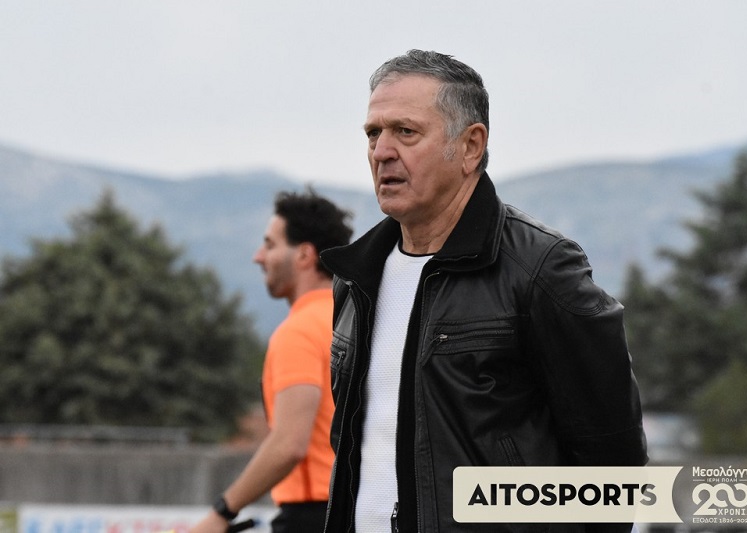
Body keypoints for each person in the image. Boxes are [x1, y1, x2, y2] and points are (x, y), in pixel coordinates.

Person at [319, 50, 648, 532]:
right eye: (373, 133)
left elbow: (613, 468)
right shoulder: (356, 278)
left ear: (471, 146)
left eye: (405, 132)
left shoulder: (540, 269)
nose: (382, 151)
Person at [190, 189, 352, 533]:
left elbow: (290, 443)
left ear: (304, 254)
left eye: (270, 245)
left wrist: (222, 512)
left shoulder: (298, 331)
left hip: (313, 515)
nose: (258, 257)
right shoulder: (356, 321)